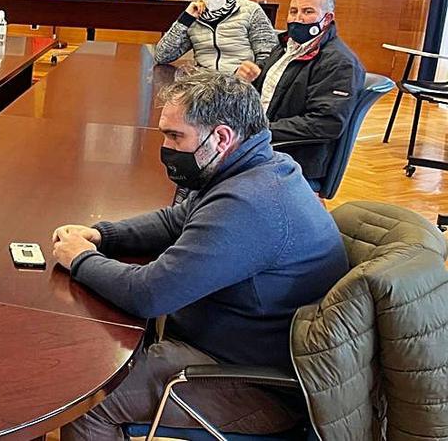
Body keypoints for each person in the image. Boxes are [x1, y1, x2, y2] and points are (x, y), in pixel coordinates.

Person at [50, 72, 349, 439]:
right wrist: (102, 235)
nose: (167, 148)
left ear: (221, 137)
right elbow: (177, 219)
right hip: (227, 350)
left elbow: (150, 294)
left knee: (87, 402)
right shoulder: (254, 166)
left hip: (250, 384)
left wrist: (81, 259)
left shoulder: (251, 203)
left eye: (176, 136)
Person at [234, 0, 364, 186]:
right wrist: (252, 78)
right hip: (263, 143)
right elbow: (277, 93)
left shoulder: (339, 63)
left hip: (293, 158)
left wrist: (261, 130)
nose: (297, 18)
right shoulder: (287, 47)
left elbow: (326, 123)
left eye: (308, 11)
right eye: (293, 11)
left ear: (327, 19)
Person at [153, 0, 277, 74]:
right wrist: (185, 19)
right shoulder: (194, 15)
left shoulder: (250, 10)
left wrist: (249, 75)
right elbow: (162, 56)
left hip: (240, 84)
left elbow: (268, 55)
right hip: (203, 84)